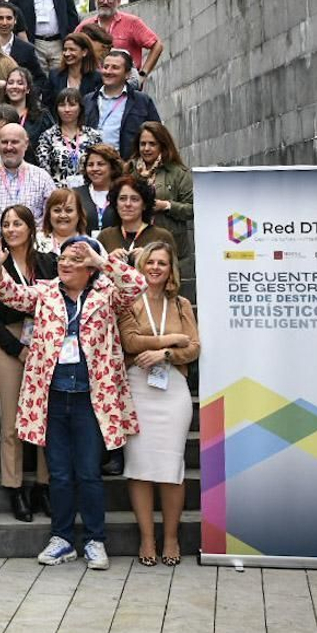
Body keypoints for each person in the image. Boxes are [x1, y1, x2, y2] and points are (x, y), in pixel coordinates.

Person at [0, 233, 145, 569]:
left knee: (88, 473)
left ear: (90, 267)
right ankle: (62, 538)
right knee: (58, 473)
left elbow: (136, 286)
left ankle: (95, 540)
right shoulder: (46, 292)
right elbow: (11, 295)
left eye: (77, 258)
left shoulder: (106, 295)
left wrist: (101, 262)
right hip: (52, 397)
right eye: (64, 257)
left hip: (90, 399)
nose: (67, 263)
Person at [119, 241, 201, 566]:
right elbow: (130, 341)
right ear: (141, 266)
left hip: (173, 389)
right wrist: (170, 339)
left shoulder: (180, 304)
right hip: (137, 387)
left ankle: (170, 538)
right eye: (150, 262)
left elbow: (193, 346)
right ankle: (147, 539)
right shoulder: (128, 302)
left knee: (171, 468)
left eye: (162, 263)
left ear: (170, 269)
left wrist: (165, 354)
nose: (155, 267)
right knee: (139, 467)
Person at [0, 205, 55, 521]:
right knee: (10, 420)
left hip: (47, 341)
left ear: (30, 227)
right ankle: (14, 486)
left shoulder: (47, 262)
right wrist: (14, 347)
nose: (11, 229)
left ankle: (44, 485)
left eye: (17, 223)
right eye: (6, 224)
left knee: (45, 418)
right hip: (8, 343)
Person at [132, 121, 194, 290]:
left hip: (171, 246)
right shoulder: (130, 172)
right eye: (142, 144)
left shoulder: (178, 173)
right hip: (137, 244)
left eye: (152, 144)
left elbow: (193, 209)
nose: (146, 148)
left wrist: (166, 206)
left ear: (163, 145)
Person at [76, 0, 164, 85]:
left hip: (125, 84)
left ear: (118, 1)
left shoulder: (132, 23)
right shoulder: (85, 26)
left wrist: (143, 74)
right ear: (96, 0)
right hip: (93, 84)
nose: (105, 2)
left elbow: (157, 45)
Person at [83, 48, 162, 159]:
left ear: (127, 74)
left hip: (128, 168)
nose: (108, 72)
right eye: (105, 67)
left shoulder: (141, 101)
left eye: (115, 68)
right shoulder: (88, 100)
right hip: (94, 168)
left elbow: (157, 134)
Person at [35, 88, 105, 188]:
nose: (67, 109)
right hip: (58, 193)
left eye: (72, 105)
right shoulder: (47, 137)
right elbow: (43, 171)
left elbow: (101, 166)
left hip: (89, 193)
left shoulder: (93, 136)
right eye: (62, 105)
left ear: (80, 108)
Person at [97, 174, 177, 259]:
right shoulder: (105, 236)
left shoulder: (161, 236)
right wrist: (108, 260)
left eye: (134, 199)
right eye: (122, 198)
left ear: (144, 205)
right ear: (116, 204)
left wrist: (148, 258)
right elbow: (94, 270)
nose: (128, 204)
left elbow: (173, 270)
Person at [76, 142, 125, 232]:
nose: (95, 169)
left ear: (112, 167)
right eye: (90, 165)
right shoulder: (76, 194)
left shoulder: (123, 193)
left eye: (100, 164)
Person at [45, 31, 101, 108]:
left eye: (72, 49)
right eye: (65, 50)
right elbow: (46, 105)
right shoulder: (54, 75)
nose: (67, 53)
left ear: (84, 52)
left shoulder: (96, 78)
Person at [41, 187, 90, 253]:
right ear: (49, 214)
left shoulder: (90, 245)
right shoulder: (35, 243)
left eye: (69, 210)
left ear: (79, 213)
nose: (63, 215)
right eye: (57, 210)